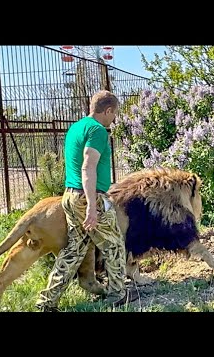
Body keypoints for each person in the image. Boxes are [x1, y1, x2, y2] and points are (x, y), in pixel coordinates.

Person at [35, 90, 139, 312]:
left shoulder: (76, 128)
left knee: (73, 251)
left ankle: (47, 301)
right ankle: (117, 294)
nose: (114, 119)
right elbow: (87, 166)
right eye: (114, 114)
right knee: (114, 244)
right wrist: (92, 205)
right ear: (107, 110)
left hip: (70, 196)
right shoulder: (98, 130)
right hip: (88, 197)